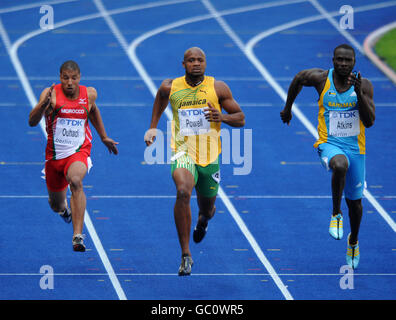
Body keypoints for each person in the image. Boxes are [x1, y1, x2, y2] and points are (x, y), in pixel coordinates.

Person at [144, 47, 245, 275]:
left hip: (209, 158)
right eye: (191, 60)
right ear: (183, 64)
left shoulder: (217, 88)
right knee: (182, 192)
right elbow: (160, 98)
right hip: (183, 152)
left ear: (206, 63)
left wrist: (223, 117)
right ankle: (186, 254)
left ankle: (203, 220)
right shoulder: (171, 87)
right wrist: (152, 126)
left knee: (207, 209)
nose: (196, 64)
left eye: (200, 60)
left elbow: (241, 118)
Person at [280, 44, 375, 269]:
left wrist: (359, 93)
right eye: (339, 60)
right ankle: (336, 214)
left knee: (356, 204)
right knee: (339, 165)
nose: (343, 64)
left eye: (347, 60)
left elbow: (369, 121)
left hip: (356, 148)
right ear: (332, 60)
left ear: (354, 62)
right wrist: (288, 108)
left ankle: (353, 240)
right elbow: (298, 78)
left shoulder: (365, 85)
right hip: (329, 143)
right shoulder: (322, 79)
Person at [29, 60, 119, 252]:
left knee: (76, 181)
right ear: (60, 78)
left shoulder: (90, 94)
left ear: (79, 77)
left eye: (74, 78)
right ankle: (63, 211)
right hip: (54, 157)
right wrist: (43, 106)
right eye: (65, 78)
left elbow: (92, 110)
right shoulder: (50, 94)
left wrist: (103, 137)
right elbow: (31, 121)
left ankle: (77, 235)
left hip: (79, 151)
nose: (69, 82)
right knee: (55, 204)